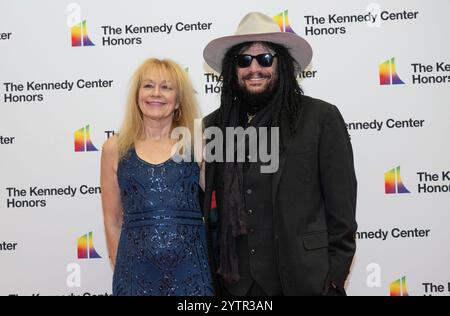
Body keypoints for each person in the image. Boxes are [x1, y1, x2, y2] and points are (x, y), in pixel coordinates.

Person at [202, 12, 358, 296]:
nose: (254, 68)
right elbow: (208, 209)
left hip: (305, 280)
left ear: (281, 64)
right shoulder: (213, 126)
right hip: (236, 286)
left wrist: (334, 276)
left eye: (265, 58)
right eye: (244, 60)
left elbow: (342, 208)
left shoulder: (320, 117)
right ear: (232, 69)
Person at [100, 58, 214, 296]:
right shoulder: (115, 148)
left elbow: (219, 206)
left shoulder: (197, 143)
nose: (156, 94)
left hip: (192, 274)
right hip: (134, 275)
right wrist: (121, 267)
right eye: (148, 85)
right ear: (137, 95)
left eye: (166, 87)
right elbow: (112, 220)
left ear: (178, 100)